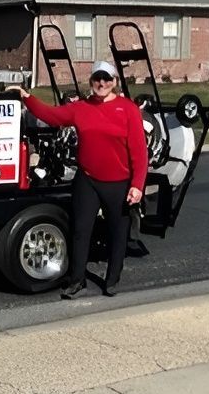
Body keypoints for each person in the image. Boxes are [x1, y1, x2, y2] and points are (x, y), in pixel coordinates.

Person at [8, 61, 147, 298]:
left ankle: (112, 279)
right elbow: (52, 116)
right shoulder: (81, 108)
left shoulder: (127, 109)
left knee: (117, 232)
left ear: (114, 82)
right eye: (97, 79)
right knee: (81, 231)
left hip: (118, 182)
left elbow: (139, 151)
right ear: (91, 81)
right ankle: (77, 280)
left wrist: (137, 185)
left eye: (107, 79)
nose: (101, 84)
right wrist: (26, 97)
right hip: (88, 179)